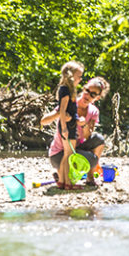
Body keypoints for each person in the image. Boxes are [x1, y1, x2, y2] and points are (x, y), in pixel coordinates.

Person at [41, 76, 110, 187]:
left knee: (99, 140)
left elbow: (88, 136)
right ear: (83, 89)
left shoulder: (93, 111)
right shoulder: (70, 103)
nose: (88, 95)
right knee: (91, 161)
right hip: (59, 154)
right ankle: (62, 174)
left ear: (97, 98)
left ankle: (89, 177)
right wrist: (60, 113)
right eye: (87, 90)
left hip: (75, 149)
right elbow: (43, 121)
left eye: (93, 94)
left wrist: (84, 125)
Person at [51, 61, 84, 189]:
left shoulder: (69, 89)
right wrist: (64, 128)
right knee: (69, 155)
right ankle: (68, 183)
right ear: (71, 75)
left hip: (71, 125)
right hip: (67, 127)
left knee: (67, 155)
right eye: (79, 76)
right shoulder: (65, 90)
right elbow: (62, 111)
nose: (80, 79)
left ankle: (63, 182)